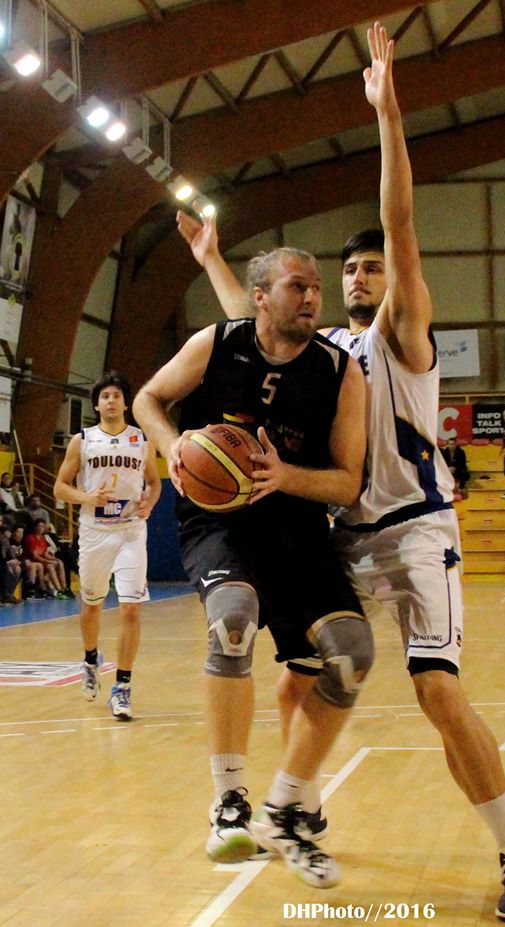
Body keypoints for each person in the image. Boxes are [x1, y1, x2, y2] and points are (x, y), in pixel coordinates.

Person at [177, 22, 505, 922]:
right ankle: (291, 805)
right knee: (305, 670)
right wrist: (217, 262)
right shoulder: (325, 351)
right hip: (340, 528)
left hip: (416, 528)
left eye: (370, 267)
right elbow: (246, 336)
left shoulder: (401, 337)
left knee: (436, 692)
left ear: (392, 282)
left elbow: (400, 220)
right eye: (347, 269)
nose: (358, 274)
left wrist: (387, 115)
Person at [133, 246, 372, 888]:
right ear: (260, 296)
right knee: (232, 620)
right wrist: (173, 443)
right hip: (220, 523)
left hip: (294, 525)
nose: (314, 297)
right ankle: (229, 800)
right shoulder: (217, 342)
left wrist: (285, 475)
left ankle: (287, 806)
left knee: (350, 653)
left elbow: (349, 482)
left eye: (317, 287)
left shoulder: (340, 372)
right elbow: (148, 399)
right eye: (299, 286)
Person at [53, 372, 161, 721]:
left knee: (130, 609)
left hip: (131, 530)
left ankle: (123, 688)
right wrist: (86, 496)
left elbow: (155, 483)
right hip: (94, 531)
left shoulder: (142, 440)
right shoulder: (81, 441)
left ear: (126, 403)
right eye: (105, 397)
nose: (111, 401)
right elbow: (59, 488)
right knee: (92, 606)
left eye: (116, 395)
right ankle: (89, 659)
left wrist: (150, 504)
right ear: (96, 405)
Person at [23, 518, 68, 598]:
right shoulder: (31, 538)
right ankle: (59, 590)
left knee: (60, 563)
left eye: (43, 527)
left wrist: (55, 559)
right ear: (35, 527)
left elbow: (45, 553)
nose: (41, 528)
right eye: (39, 526)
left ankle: (64, 589)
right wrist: (48, 561)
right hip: (33, 561)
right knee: (50, 566)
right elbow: (35, 556)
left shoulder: (43, 538)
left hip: (42, 561)